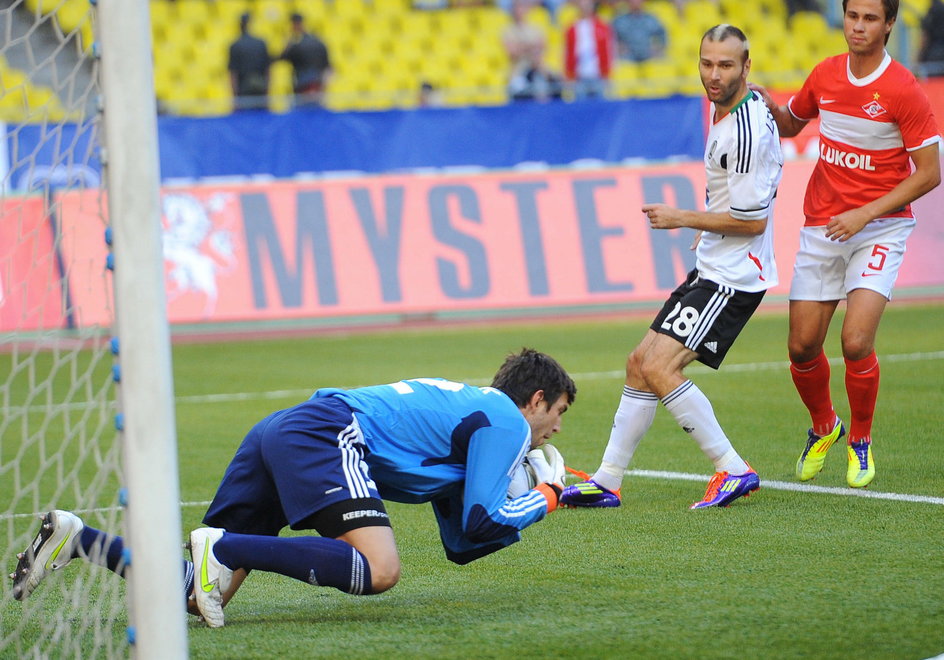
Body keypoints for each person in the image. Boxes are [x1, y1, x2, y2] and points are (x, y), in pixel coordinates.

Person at [11, 349, 576, 627]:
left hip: (286, 428)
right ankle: (224, 547)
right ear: (534, 401)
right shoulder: (506, 420)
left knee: (196, 591)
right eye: (558, 413)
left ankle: (79, 539)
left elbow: (462, 542)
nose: (554, 428)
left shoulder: (474, 414)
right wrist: (550, 495)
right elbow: (482, 519)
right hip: (326, 431)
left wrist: (521, 497)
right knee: (380, 569)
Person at [560, 24, 783, 510]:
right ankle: (607, 480)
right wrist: (712, 220)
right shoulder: (733, 103)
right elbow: (745, 186)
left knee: (659, 365)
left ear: (747, 65)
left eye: (726, 65)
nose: (714, 74)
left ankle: (733, 468)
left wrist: (685, 218)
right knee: (639, 363)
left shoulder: (742, 131)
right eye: (707, 63)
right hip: (716, 264)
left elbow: (753, 220)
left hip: (734, 274)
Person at [748, 0, 941, 489]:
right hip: (823, 225)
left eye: (870, 18)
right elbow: (792, 124)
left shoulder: (903, 90)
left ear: (889, 24)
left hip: (880, 226)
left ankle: (859, 439)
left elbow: (930, 174)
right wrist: (765, 101)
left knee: (855, 342)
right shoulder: (826, 75)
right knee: (801, 346)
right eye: (853, 16)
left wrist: (866, 213)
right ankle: (823, 427)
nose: (858, 26)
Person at [278, 13, 332, 109]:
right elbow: (328, 68)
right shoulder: (319, 43)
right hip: (317, 85)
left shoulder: (295, 45)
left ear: (294, 25)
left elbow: (282, 57)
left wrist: (288, 42)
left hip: (302, 85)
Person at [563, 0, 615, 99]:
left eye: (587, 4)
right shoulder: (572, 28)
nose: (585, 7)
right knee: (580, 107)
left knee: (601, 106)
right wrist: (569, 74)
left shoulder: (602, 26)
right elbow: (568, 52)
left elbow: (609, 50)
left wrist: (608, 73)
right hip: (579, 76)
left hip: (599, 75)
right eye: (582, 4)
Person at [228, 12, 270, 112]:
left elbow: (233, 74)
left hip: (243, 93)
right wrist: (267, 93)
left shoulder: (235, 45)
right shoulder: (261, 43)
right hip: (260, 90)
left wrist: (235, 98)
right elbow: (268, 71)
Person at [918, 0, 944, 77]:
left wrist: (919, 56)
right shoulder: (940, 8)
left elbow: (925, 37)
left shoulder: (932, 11)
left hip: (933, 55)